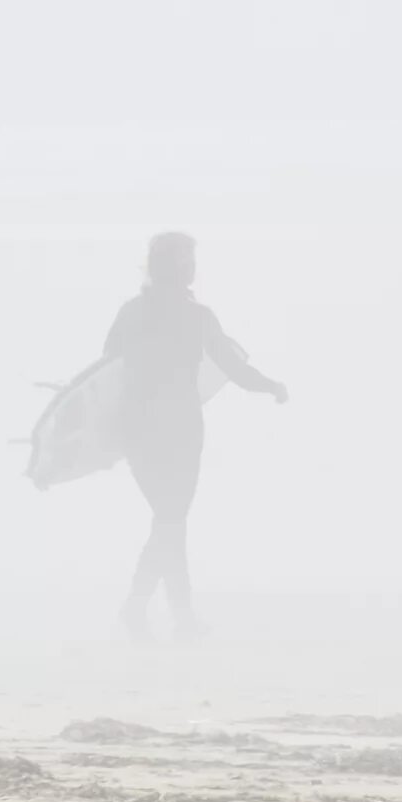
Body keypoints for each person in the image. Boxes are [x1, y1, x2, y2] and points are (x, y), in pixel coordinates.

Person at [102, 232, 287, 642]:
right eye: (186, 259)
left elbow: (106, 371)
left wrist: (268, 385)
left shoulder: (145, 313)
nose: (190, 267)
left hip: (155, 430)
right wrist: (271, 386)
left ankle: (167, 614)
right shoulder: (188, 316)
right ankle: (151, 610)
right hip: (168, 430)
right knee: (171, 519)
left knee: (170, 520)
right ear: (174, 266)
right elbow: (107, 376)